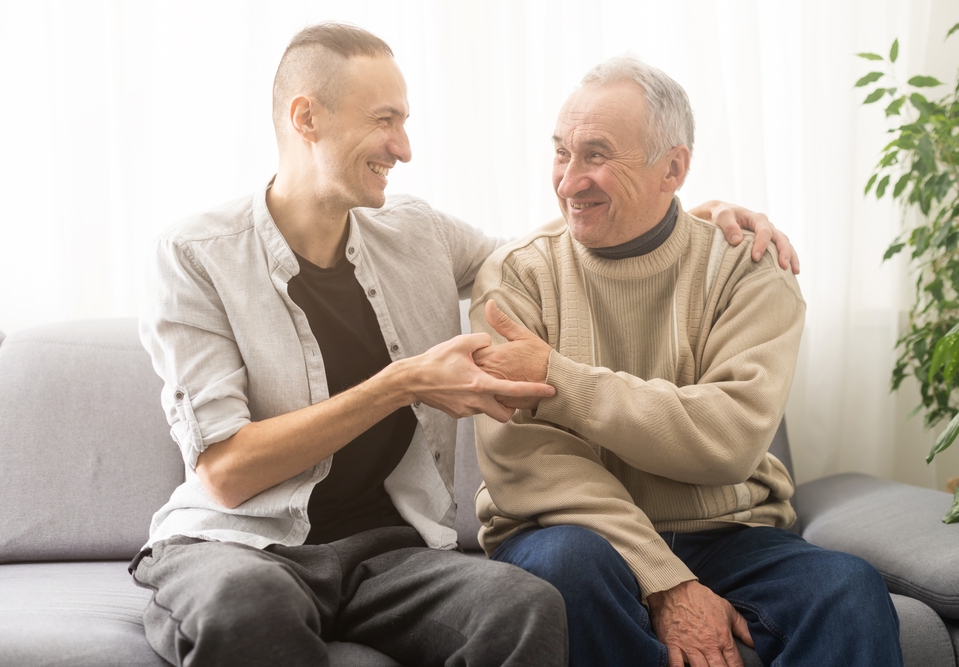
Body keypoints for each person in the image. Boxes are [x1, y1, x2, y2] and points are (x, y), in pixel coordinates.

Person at [133, 22, 797, 667]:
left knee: (524, 607)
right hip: (240, 546)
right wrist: (403, 382)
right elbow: (226, 470)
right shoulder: (195, 255)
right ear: (307, 118)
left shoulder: (416, 233)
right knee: (246, 609)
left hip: (389, 555)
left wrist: (684, 217)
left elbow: (561, 250)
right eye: (385, 120)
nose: (404, 147)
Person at [469, 56, 903, 667]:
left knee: (848, 591)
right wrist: (664, 577)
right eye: (561, 152)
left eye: (595, 155)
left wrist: (558, 377)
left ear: (673, 167)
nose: (568, 181)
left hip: (726, 536)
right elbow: (526, 462)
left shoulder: (750, 270)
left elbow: (727, 440)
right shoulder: (517, 276)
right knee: (572, 566)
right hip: (572, 538)